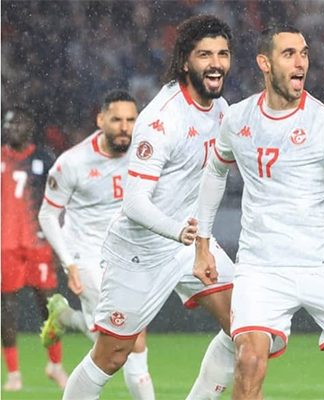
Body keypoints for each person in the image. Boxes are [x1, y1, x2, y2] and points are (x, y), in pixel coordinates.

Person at [193, 24, 324, 400]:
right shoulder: (238, 119)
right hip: (261, 268)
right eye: (289, 53)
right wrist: (202, 244)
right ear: (265, 63)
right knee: (249, 361)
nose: (300, 62)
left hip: (322, 264)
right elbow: (214, 173)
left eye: (304, 53)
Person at [62, 15, 236, 400]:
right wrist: (180, 231)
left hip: (189, 243)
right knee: (112, 355)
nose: (216, 63)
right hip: (140, 251)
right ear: (185, 61)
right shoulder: (161, 118)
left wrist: (198, 241)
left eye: (223, 54)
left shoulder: (222, 110)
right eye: (205, 54)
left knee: (248, 328)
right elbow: (134, 203)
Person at [38, 90, 156, 400]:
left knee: (116, 338)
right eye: (116, 119)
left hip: (126, 254)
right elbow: (47, 215)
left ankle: (66, 317)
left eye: (131, 120)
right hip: (85, 255)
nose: (124, 127)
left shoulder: (146, 153)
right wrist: (69, 263)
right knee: (131, 337)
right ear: (100, 120)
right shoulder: (72, 162)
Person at [1, 107, 68, 391]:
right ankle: (13, 374)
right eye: (8, 124)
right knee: (7, 308)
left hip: (38, 244)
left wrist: (59, 242)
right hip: (6, 246)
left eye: (18, 123)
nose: (11, 128)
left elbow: (58, 203)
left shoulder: (44, 158)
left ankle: (55, 365)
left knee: (49, 307)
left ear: (30, 126)